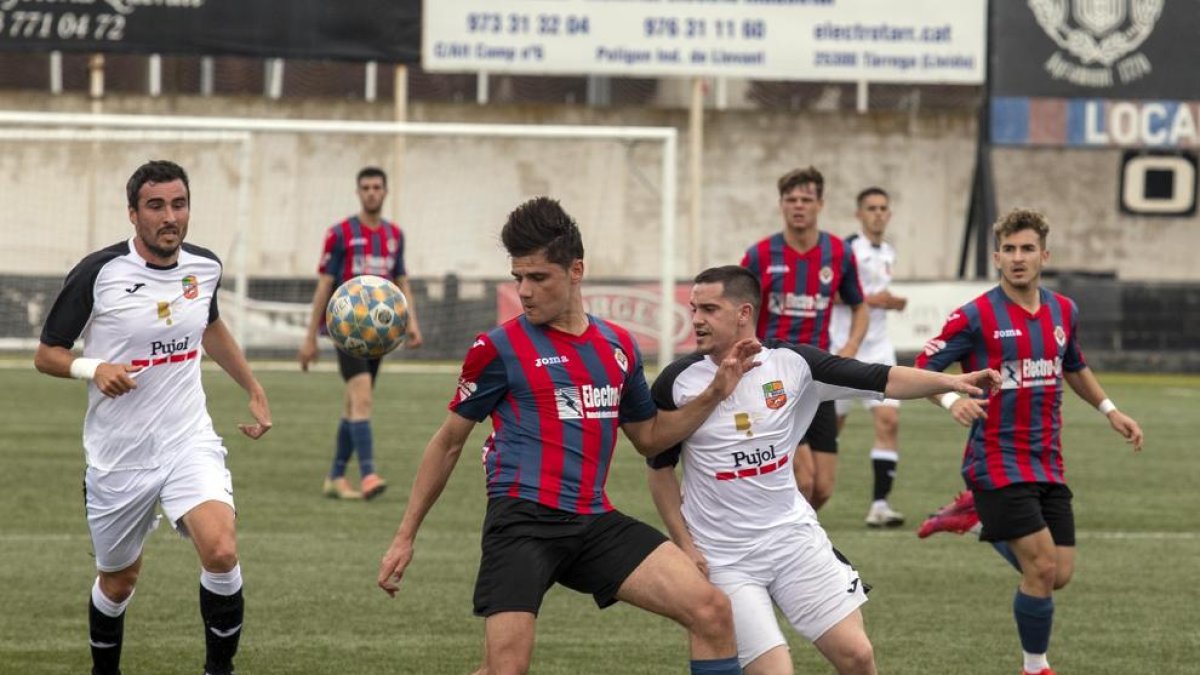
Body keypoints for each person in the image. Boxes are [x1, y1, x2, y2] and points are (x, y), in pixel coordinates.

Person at [377, 197, 762, 675]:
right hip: (521, 523)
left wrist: (715, 393)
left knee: (711, 611)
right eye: (518, 278)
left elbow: (649, 438)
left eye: (539, 277)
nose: (525, 291)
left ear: (576, 270)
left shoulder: (618, 346)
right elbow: (448, 441)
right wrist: (404, 536)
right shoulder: (497, 348)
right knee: (505, 670)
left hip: (592, 521)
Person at [646, 265, 998, 675]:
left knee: (858, 656)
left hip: (793, 540)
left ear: (744, 312)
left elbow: (880, 377)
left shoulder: (793, 364)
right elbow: (659, 470)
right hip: (725, 557)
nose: (696, 320)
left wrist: (951, 382)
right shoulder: (676, 382)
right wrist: (685, 545)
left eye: (708, 308)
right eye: (693, 309)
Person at [34, 160, 273, 675]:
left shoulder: (204, 267)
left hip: (187, 438)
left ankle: (219, 670)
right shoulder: (100, 272)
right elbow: (46, 353)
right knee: (119, 581)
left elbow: (208, 326)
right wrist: (93, 368)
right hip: (119, 454)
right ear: (133, 213)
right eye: (157, 206)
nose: (170, 217)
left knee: (222, 551)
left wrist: (252, 386)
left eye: (179, 204)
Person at [914, 209, 1144, 675]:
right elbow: (922, 369)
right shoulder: (975, 316)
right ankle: (1035, 666)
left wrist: (1110, 410)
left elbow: (1073, 366)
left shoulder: (1064, 310)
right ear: (996, 257)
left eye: (1028, 249)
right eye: (1010, 250)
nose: (1019, 258)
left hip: (1047, 461)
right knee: (1039, 569)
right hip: (995, 461)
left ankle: (977, 521)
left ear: (1044, 255)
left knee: (1059, 574)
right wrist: (948, 401)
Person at [741, 166, 868, 510]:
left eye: (806, 199)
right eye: (791, 199)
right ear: (781, 204)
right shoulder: (760, 255)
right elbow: (738, 309)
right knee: (804, 478)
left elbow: (860, 306)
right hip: (773, 377)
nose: (798, 206)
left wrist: (851, 346)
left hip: (817, 375)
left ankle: (790, 543)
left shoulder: (839, 253)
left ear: (820, 204)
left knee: (823, 487)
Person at [298, 166, 423, 500]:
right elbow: (325, 285)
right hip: (347, 333)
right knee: (363, 397)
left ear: (385, 191)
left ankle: (336, 477)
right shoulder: (340, 233)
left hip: (381, 335)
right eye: (365, 187)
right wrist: (310, 336)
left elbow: (402, 281)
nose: (371, 192)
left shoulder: (395, 235)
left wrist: (412, 323)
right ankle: (368, 474)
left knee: (354, 404)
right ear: (358, 192)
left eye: (376, 187)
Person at [829, 187, 909, 527]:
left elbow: (876, 298)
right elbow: (831, 294)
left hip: (878, 349)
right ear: (859, 214)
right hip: (842, 347)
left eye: (883, 208)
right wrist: (874, 300)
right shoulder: (846, 250)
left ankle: (879, 504)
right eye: (871, 208)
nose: (878, 213)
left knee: (889, 421)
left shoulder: (888, 250)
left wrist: (894, 302)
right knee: (830, 429)